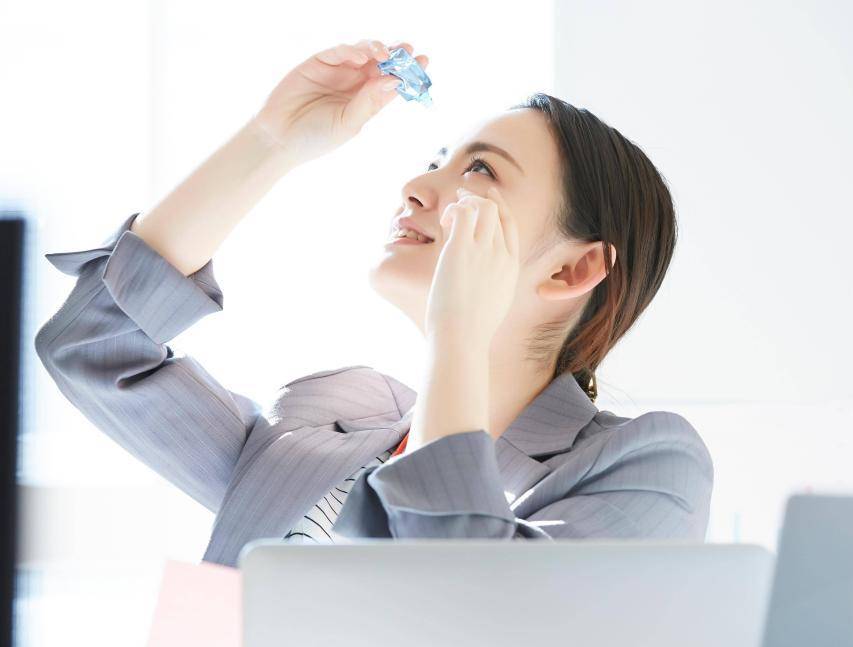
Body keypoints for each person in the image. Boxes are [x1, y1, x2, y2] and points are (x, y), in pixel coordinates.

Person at [34, 38, 714, 568]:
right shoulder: (330, 418)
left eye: (480, 169)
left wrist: (458, 336)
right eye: (437, 160)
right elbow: (94, 347)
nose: (417, 184)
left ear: (572, 268)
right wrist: (269, 142)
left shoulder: (645, 466)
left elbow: (470, 605)